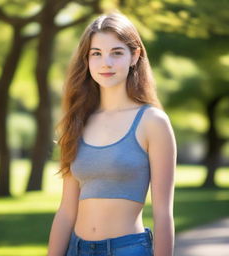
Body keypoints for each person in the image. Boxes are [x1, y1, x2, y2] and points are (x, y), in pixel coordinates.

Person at [48, 11, 176, 256]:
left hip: (129, 250)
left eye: (116, 53)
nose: (106, 63)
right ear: (87, 60)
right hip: (77, 249)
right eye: (96, 53)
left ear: (134, 56)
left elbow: (163, 213)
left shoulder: (152, 122)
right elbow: (66, 210)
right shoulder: (77, 121)